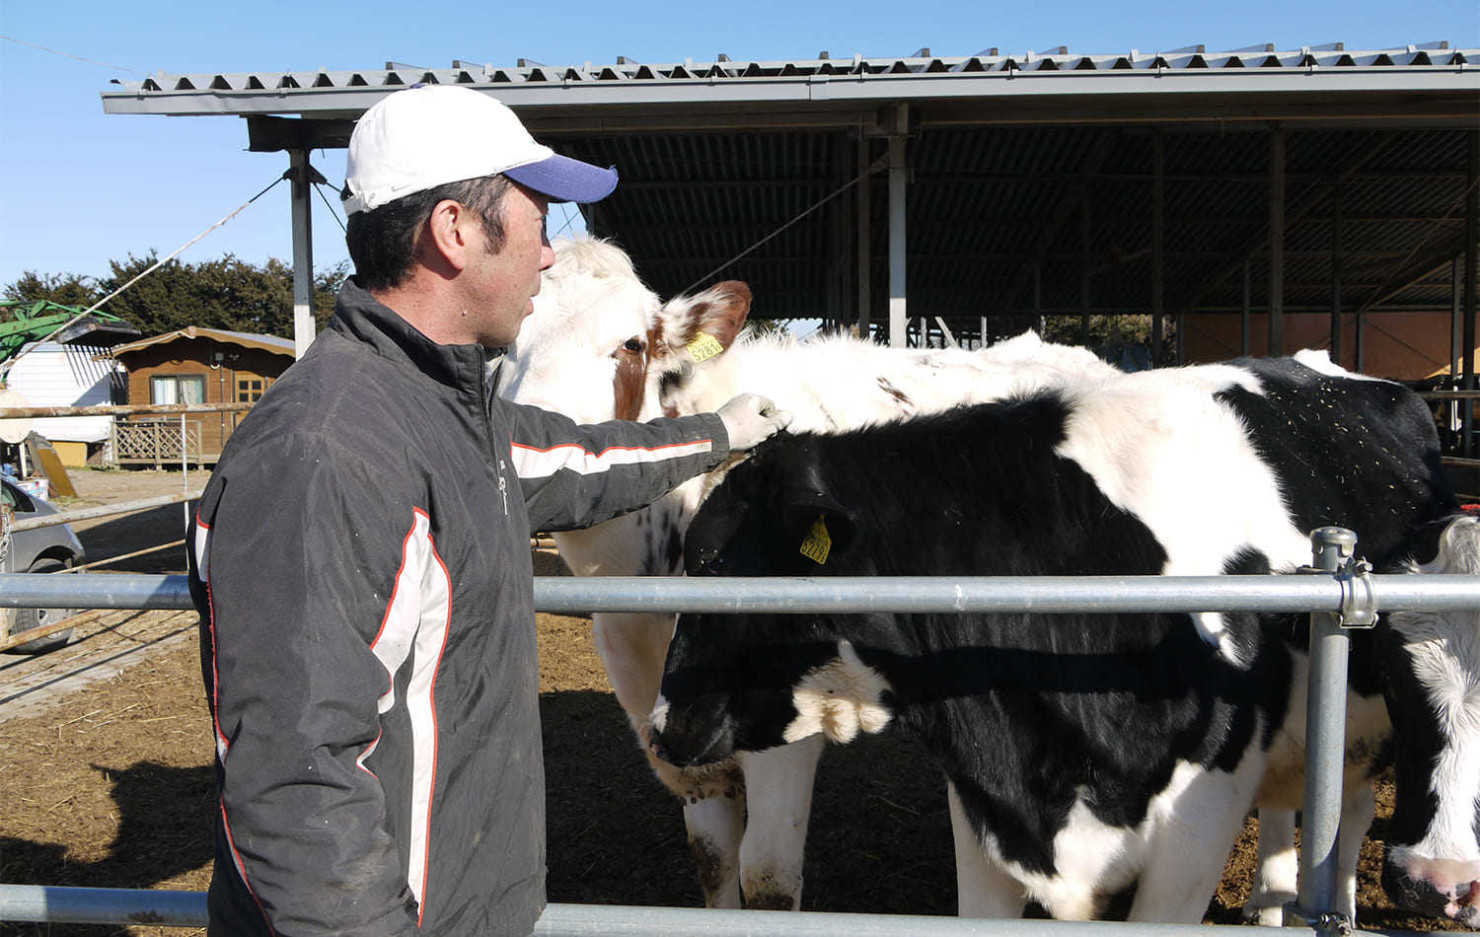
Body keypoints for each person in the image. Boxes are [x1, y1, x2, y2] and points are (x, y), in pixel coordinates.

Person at [186, 84, 789, 937]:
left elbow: (584, 458)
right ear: (456, 231)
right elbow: (295, 786)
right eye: (538, 215)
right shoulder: (323, 455)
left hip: (466, 903)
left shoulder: (451, 415)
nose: (549, 254)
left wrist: (717, 431)